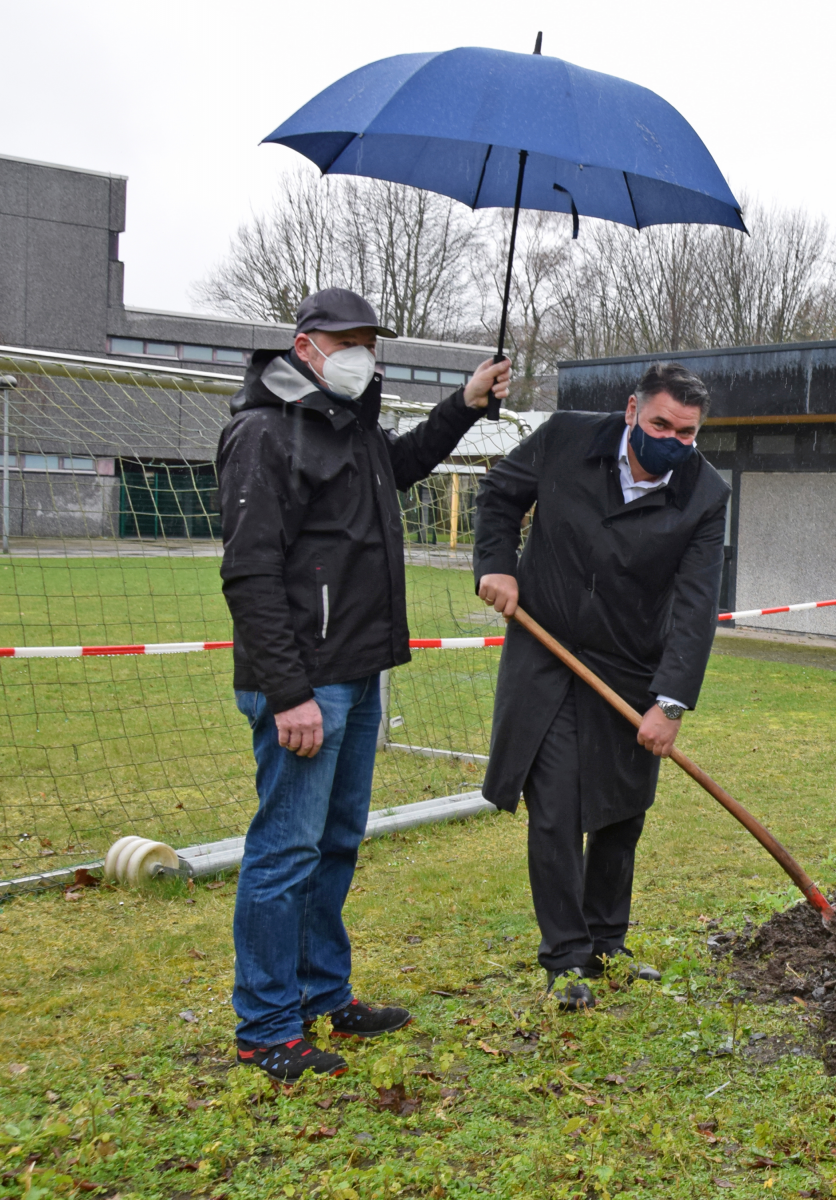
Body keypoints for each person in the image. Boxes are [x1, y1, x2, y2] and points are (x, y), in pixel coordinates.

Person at [218, 287, 509, 1081]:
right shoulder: (264, 434)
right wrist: (288, 693)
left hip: (356, 672)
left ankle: (322, 994)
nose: (362, 354)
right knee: (284, 852)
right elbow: (249, 575)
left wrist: (466, 402)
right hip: (305, 685)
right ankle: (267, 1026)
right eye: (347, 340)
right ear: (304, 345)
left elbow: (403, 464)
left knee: (336, 843)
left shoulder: (350, 428)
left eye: (369, 342)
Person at [473, 362, 730, 1010]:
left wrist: (669, 703)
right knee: (556, 809)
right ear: (630, 411)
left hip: (629, 665)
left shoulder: (705, 494)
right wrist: (497, 565)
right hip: (547, 653)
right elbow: (502, 494)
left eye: (686, 433)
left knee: (621, 812)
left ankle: (606, 944)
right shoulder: (563, 438)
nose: (670, 440)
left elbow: (697, 605)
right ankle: (565, 959)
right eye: (659, 424)